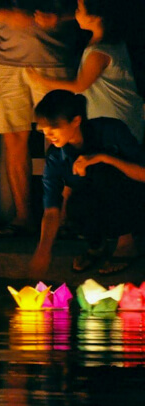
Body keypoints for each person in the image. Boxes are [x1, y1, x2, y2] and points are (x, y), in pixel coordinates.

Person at [0, 0, 79, 237]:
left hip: (54, 58)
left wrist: (59, 18)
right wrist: (6, 13)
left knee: (64, 140)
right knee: (13, 140)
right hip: (8, 62)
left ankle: (64, 218)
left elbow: (91, 9)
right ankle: (23, 216)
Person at [29, 90, 145, 277]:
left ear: (76, 121)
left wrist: (104, 157)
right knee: (75, 200)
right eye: (43, 128)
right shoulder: (56, 156)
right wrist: (43, 250)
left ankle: (127, 244)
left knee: (102, 174)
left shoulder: (111, 130)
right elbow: (52, 208)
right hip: (98, 206)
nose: (47, 134)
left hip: (134, 201)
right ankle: (96, 246)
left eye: (54, 127)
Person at [27, 0, 144, 143]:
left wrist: (43, 81)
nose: (75, 13)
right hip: (116, 116)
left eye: (79, 9)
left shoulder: (99, 52)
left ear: (96, 16)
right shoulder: (110, 43)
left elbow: (80, 85)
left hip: (116, 117)